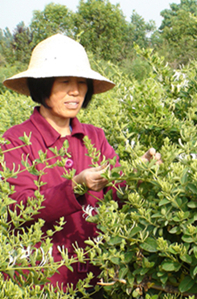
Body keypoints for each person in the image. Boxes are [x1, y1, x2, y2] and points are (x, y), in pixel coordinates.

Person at [1, 34, 161, 297]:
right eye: (65, 83)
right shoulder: (17, 141)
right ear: (42, 86)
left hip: (94, 276)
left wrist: (137, 174)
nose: (75, 91)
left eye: (80, 83)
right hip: (42, 279)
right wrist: (73, 187)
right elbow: (19, 210)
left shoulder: (94, 136)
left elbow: (114, 195)